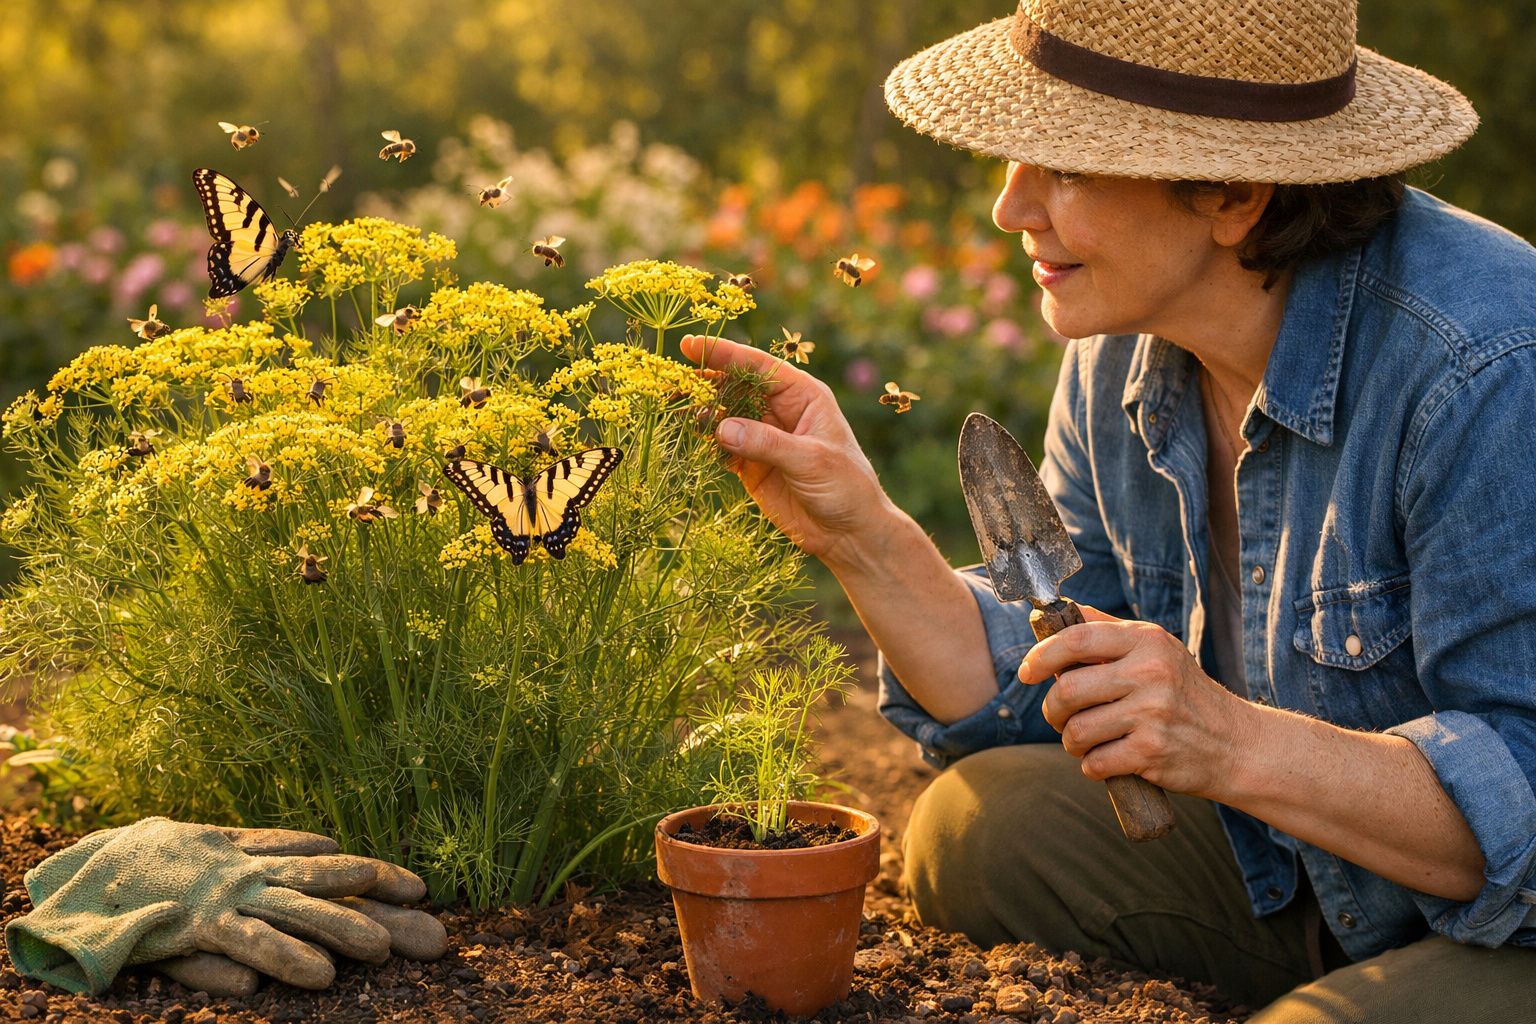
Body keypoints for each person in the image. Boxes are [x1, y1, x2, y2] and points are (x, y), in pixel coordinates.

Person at [680, 0, 1536, 1020]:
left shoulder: (1484, 367)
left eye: (1065, 166)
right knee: (975, 827)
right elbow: (1045, 677)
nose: (1010, 208)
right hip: (1305, 868)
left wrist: (1224, 740)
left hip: (1507, 923)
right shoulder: (1124, 340)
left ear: (1231, 191)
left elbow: (1523, 797)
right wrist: (858, 534)